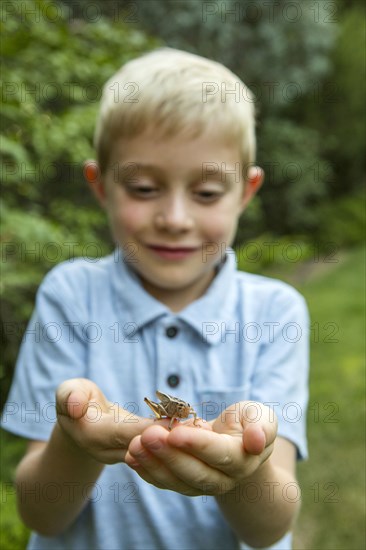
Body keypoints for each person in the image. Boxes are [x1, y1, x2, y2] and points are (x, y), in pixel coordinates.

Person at [1, 48, 309, 550]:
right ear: (99, 186)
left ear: (246, 193)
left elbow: (271, 527)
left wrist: (247, 465)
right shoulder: (70, 296)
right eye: (144, 188)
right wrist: (76, 440)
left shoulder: (277, 314)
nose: (175, 218)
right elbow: (41, 512)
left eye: (207, 193)